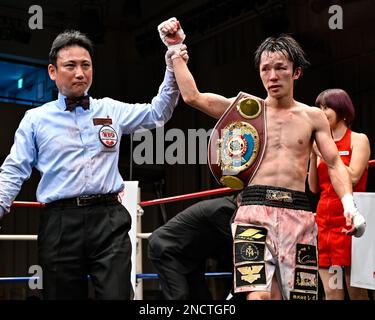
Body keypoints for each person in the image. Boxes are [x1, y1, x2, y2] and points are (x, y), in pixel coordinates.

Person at [157, 18, 366, 300]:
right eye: (266, 69)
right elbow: (193, 97)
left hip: (298, 213)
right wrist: (176, 48)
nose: (272, 76)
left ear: (296, 72)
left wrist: (349, 205)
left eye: (280, 68)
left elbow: (333, 163)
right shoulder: (247, 110)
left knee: (299, 296)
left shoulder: (313, 116)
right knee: (259, 297)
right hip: (253, 211)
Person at [0, 29, 181, 299]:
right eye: (70, 66)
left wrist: (172, 62)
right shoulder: (35, 119)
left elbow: (158, 113)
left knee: (117, 296)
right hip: (60, 222)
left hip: (108, 219)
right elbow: (15, 168)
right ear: (52, 71)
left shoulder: (111, 109)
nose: (80, 73)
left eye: (86, 65)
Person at [308, 88, 370, 300]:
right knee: (332, 293)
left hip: (350, 220)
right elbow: (313, 187)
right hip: (324, 223)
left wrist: (324, 156)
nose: (322, 112)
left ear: (342, 109)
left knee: (357, 292)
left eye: (326, 107)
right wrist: (311, 153)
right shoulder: (321, 145)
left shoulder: (358, 139)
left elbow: (351, 177)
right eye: (319, 108)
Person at [148, 195, 237, 300]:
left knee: (201, 297)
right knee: (179, 296)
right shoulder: (224, 209)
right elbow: (235, 246)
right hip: (167, 249)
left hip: (191, 254)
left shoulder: (230, 208)